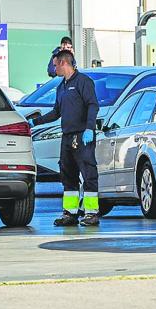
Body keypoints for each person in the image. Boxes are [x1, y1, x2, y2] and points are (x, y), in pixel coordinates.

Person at [30, 50, 100, 226]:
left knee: (88, 173)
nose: (54, 69)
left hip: (82, 136)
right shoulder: (61, 86)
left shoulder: (83, 82)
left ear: (63, 63)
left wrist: (89, 128)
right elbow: (56, 112)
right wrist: (34, 122)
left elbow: (92, 105)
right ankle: (70, 213)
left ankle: (91, 213)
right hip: (67, 137)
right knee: (68, 175)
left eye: (55, 65)